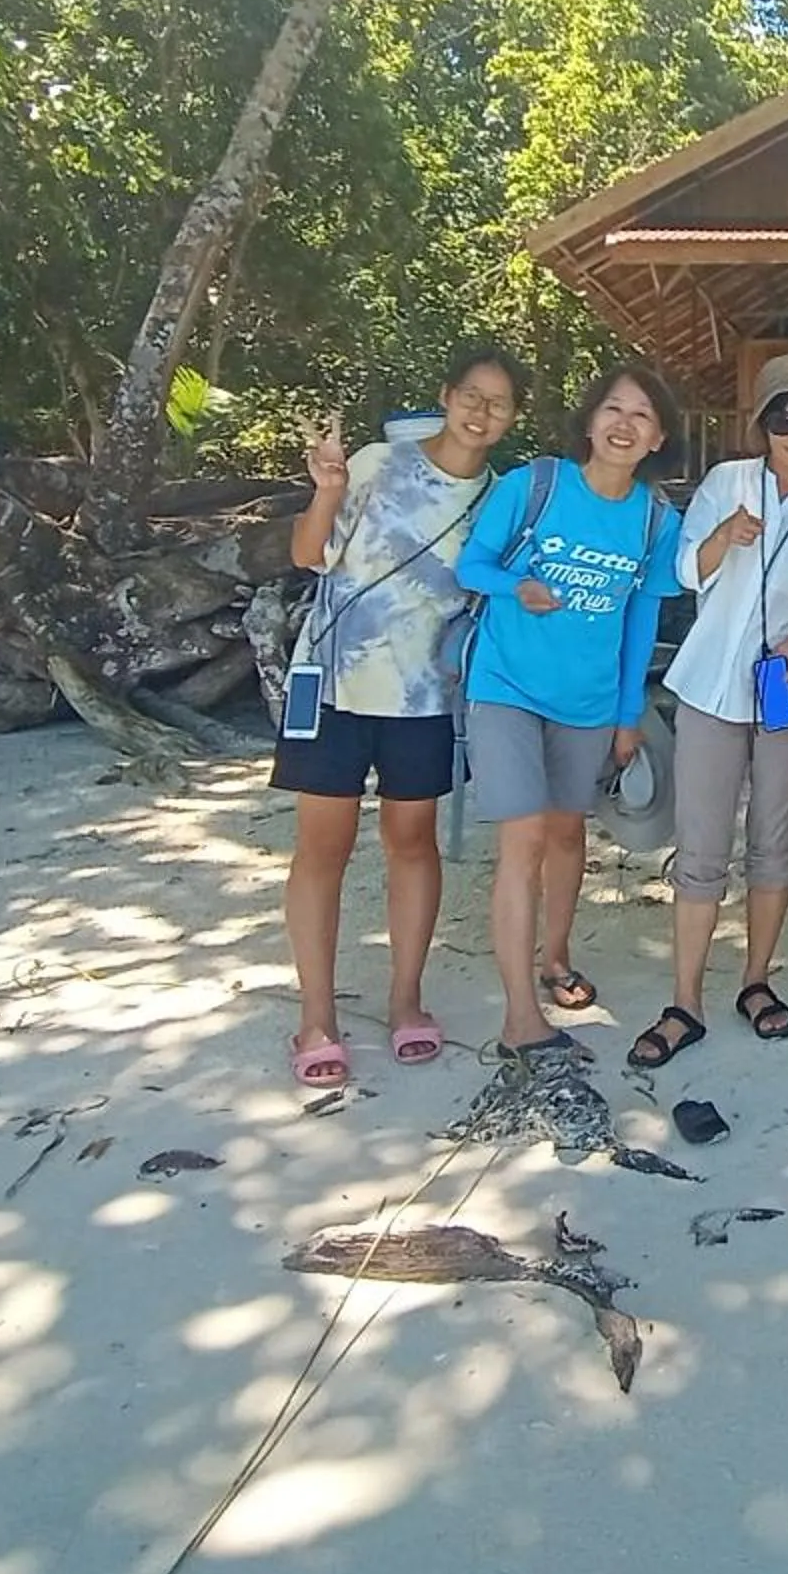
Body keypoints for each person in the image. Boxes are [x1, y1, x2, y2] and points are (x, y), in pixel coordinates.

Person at [272, 346, 524, 1087]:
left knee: (413, 842)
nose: (481, 413)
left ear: (512, 420)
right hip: (334, 682)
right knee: (324, 845)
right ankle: (316, 1016)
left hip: (424, 694)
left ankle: (407, 1000)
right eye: (471, 396)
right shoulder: (380, 463)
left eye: (498, 403)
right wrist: (326, 489)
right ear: (447, 396)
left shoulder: (501, 500)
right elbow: (307, 554)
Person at [627, 354, 788, 1070]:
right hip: (711, 682)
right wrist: (722, 537)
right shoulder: (728, 484)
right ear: (762, 421)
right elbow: (679, 575)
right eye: (785, 415)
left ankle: (755, 981)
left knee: (774, 837)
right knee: (700, 845)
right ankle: (685, 1000)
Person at [452, 362, 686, 1060]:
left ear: (657, 438)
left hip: (587, 705)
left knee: (565, 836)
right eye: (612, 408)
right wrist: (514, 585)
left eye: (641, 415)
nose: (623, 423)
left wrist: (625, 715)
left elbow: (643, 621)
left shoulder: (654, 521)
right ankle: (521, 1017)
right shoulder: (535, 485)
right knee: (522, 839)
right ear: (589, 421)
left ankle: (555, 959)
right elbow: (471, 565)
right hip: (505, 687)